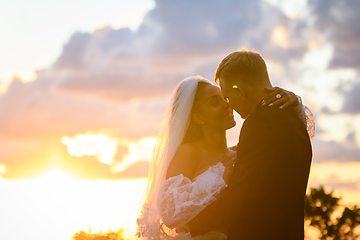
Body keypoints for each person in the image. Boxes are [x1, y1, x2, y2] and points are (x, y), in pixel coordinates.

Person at [136, 52, 314, 240]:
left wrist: (294, 101)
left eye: (225, 97)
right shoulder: (189, 152)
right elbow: (172, 212)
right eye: (216, 101)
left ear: (241, 92)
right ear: (197, 117)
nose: (226, 105)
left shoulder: (245, 146)